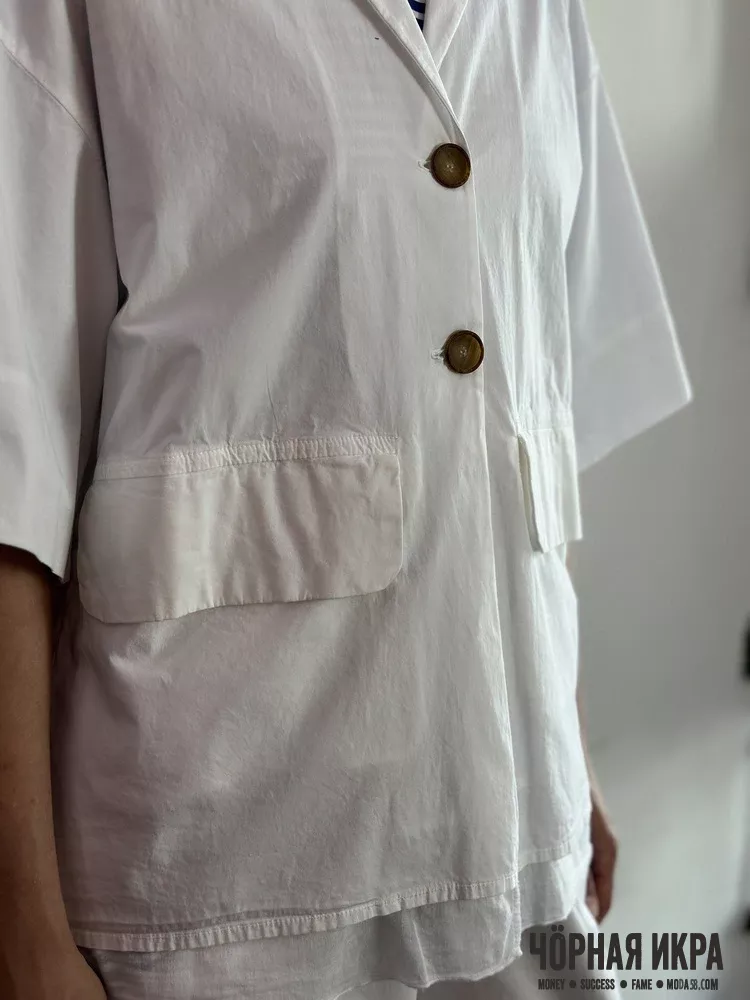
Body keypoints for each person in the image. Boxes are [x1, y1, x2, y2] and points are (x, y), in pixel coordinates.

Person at [0, 1, 692, 998]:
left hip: (520, 862)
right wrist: (22, 932)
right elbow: (13, 475)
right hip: (228, 889)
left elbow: (532, 404)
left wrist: (566, 752)